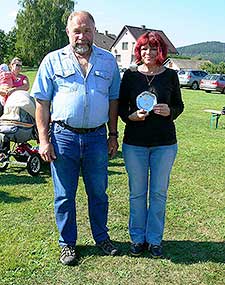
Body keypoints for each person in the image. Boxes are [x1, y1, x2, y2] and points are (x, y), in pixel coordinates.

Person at [31, 11, 121, 265]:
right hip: (62, 138)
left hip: (96, 139)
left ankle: (101, 238)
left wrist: (113, 134)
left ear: (95, 31)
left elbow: (114, 100)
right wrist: (44, 140)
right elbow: (41, 103)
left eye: (87, 30)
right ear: (68, 33)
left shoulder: (108, 61)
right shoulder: (52, 60)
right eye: (77, 31)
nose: (82, 36)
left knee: (98, 193)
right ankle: (67, 244)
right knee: (63, 195)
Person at [118, 31, 184, 258]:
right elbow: (121, 110)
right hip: (134, 144)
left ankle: (154, 240)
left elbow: (179, 106)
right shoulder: (130, 75)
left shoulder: (171, 76)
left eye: (153, 48)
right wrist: (132, 116)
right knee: (137, 194)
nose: (149, 52)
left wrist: (170, 111)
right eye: (145, 48)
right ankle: (137, 239)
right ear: (139, 51)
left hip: (164, 144)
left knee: (158, 193)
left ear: (160, 51)